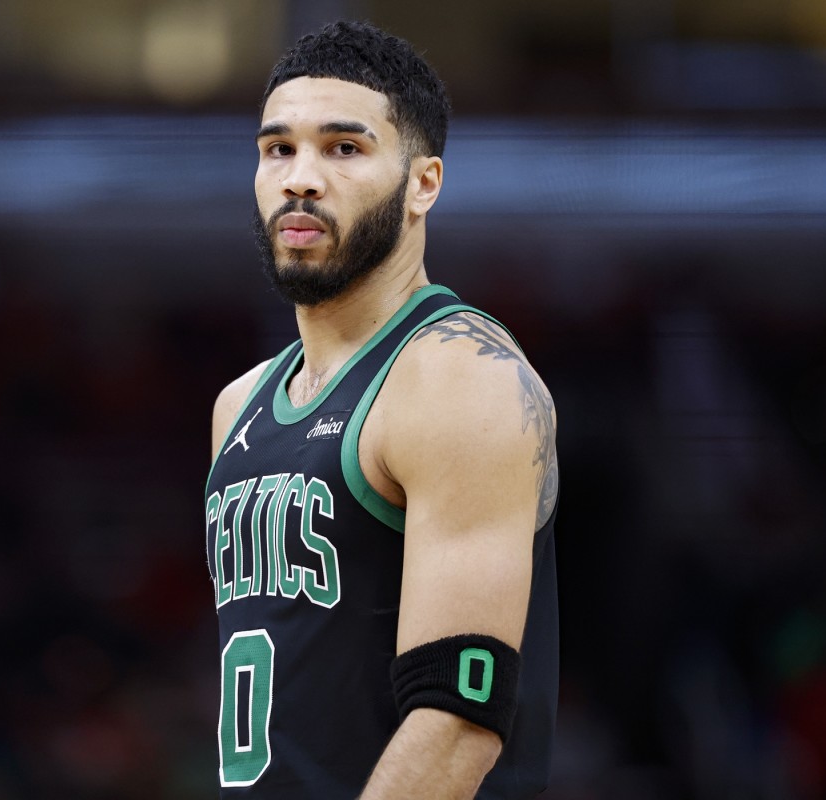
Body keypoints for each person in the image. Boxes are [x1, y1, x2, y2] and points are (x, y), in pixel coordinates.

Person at [203, 20, 559, 799]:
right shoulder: (239, 405)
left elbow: (458, 719)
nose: (300, 178)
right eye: (278, 149)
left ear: (423, 183)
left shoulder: (461, 376)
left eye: (344, 149)